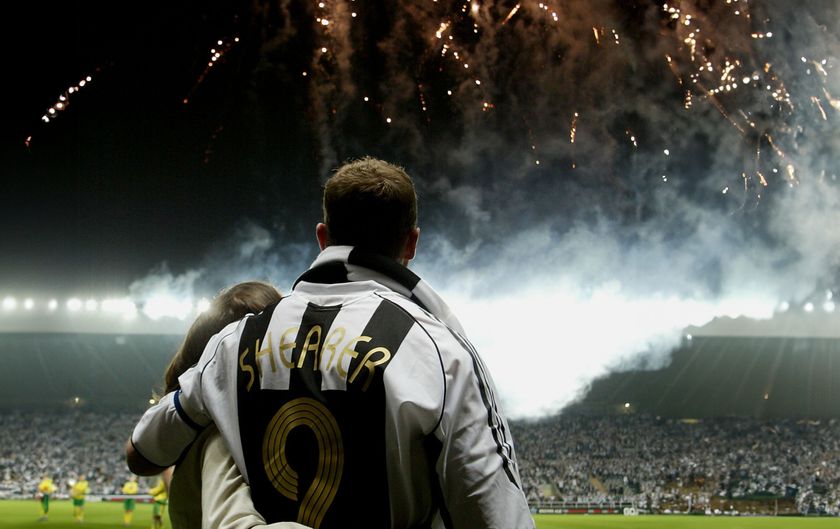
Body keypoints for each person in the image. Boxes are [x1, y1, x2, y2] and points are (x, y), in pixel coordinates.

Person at [128, 157, 534, 528]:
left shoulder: (232, 344)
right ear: (412, 242)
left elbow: (143, 453)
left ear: (323, 237)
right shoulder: (439, 352)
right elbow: (494, 513)